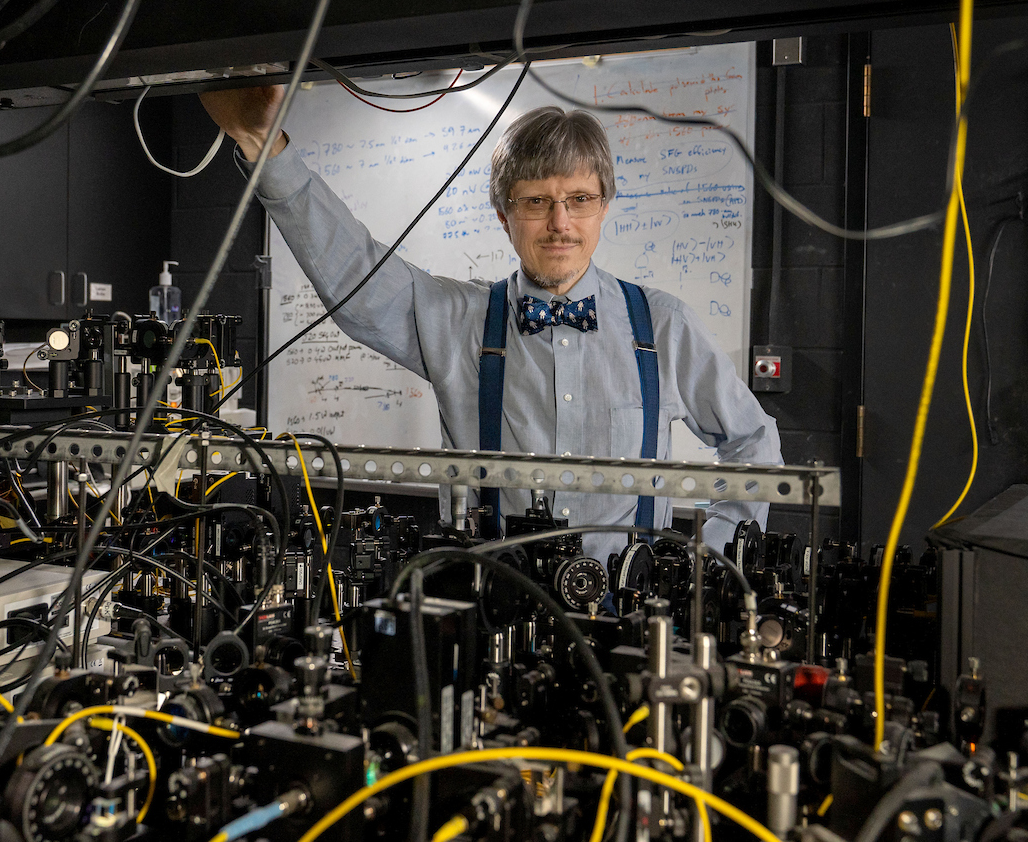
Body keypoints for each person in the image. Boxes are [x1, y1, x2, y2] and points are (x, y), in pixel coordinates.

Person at [200, 86, 782, 564]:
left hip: (631, 618)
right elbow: (356, 274)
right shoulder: (462, 322)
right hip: (496, 614)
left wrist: (712, 559)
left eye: (579, 199)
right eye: (537, 201)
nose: (560, 223)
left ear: (604, 207)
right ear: (504, 215)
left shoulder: (662, 325)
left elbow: (752, 441)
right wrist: (266, 146)